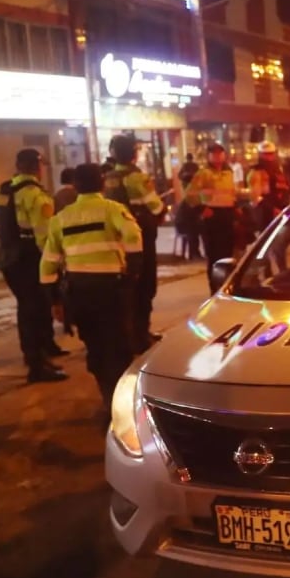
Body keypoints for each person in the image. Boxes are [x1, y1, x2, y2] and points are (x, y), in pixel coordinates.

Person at [40, 163, 142, 416]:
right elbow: (134, 238)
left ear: (75, 186)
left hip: (79, 291)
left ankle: (107, 395)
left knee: (95, 344)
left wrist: (54, 300)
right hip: (112, 289)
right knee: (118, 345)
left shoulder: (60, 219)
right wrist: (132, 274)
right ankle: (120, 402)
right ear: (102, 183)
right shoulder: (113, 210)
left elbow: (48, 264)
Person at [0, 148, 68, 383]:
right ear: (37, 167)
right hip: (30, 258)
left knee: (27, 309)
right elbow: (44, 236)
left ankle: (38, 355)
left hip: (10, 258)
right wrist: (56, 263)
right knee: (36, 311)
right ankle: (37, 365)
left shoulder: (2, 192)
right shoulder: (35, 195)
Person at [103, 134, 166, 353]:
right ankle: (141, 335)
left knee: (128, 287)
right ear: (134, 153)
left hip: (117, 237)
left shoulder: (108, 177)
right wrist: (161, 211)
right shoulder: (137, 177)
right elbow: (155, 206)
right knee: (145, 285)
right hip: (140, 236)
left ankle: (129, 335)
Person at [185, 143, 239, 294]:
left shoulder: (228, 173)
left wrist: (236, 208)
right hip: (212, 218)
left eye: (220, 153)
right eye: (214, 154)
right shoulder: (203, 174)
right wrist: (201, 209)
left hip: (227, 215)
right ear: (208, 156)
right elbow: (189, 194)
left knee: (228, 255)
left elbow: (232, 193)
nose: (217, 156)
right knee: (214, 255)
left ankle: (227, 287)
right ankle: (215, 289)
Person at [247, 141, 290, 235]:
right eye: (265, 154)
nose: (269, 157)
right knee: (267, 237)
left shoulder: (279, 169)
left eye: (271, 153)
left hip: (281, 208)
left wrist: (286, 207)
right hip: (265, 212)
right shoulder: (256, 172)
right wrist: (272, 209)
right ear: (260, 155)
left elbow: (285, 189)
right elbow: (256, 197)